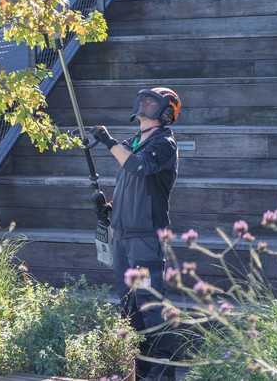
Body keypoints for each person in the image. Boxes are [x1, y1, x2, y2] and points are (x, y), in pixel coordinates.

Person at [89, 87, 182, 381]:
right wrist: (109, 209)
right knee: (129, 309)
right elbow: (132, 185)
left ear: (166, 112)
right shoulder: (133, 142)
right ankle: (140, 373)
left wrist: (107, 141)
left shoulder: (164, 144)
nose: (144, 104)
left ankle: (165, 375)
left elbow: (139, 166)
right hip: (123, 236)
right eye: (143, 99)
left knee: (151, 307)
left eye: (151, 102)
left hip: (145, 238)